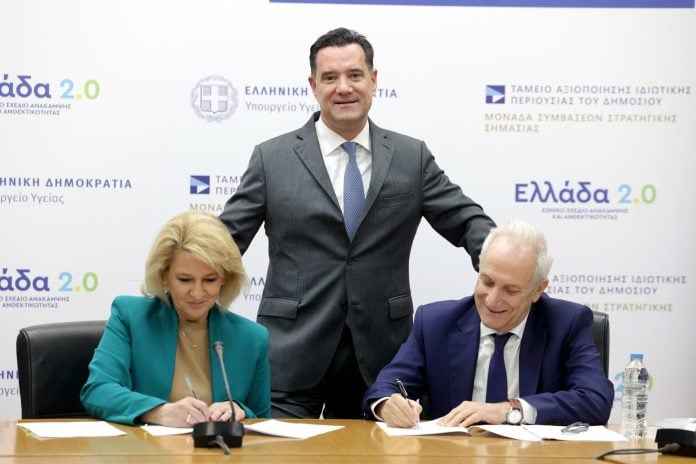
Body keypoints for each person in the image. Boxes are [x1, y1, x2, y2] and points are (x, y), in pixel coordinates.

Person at [219, 27, 495, 419]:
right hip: (292, 353)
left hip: (380, 361)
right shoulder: (272, 158)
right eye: (330, 77)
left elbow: (467, 221)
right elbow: (223, 241)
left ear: (373, 79)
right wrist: (180, 282)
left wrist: (503, 268)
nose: (343, 88)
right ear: (313, 85)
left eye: (354, 75)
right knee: (278, 450)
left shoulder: (410, 157)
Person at [363, 220, 614, 428]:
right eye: (487, 282)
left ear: (538, 290)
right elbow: (385, 387)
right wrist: (387, 405)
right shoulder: (435, 323)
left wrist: (509, 410)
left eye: (510, 290)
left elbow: (595, 400)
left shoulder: (567, 323)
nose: (492, 300)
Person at [81, 211, 271, 426]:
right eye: (185, 279)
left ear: (225, 279)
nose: (198, 293)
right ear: (163, 275)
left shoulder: (253, 338)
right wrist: (159, 412)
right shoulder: (130, 316)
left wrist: (240, 410)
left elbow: (262, 419)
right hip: (145, 446)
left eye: (210, 280)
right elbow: (98, 390)